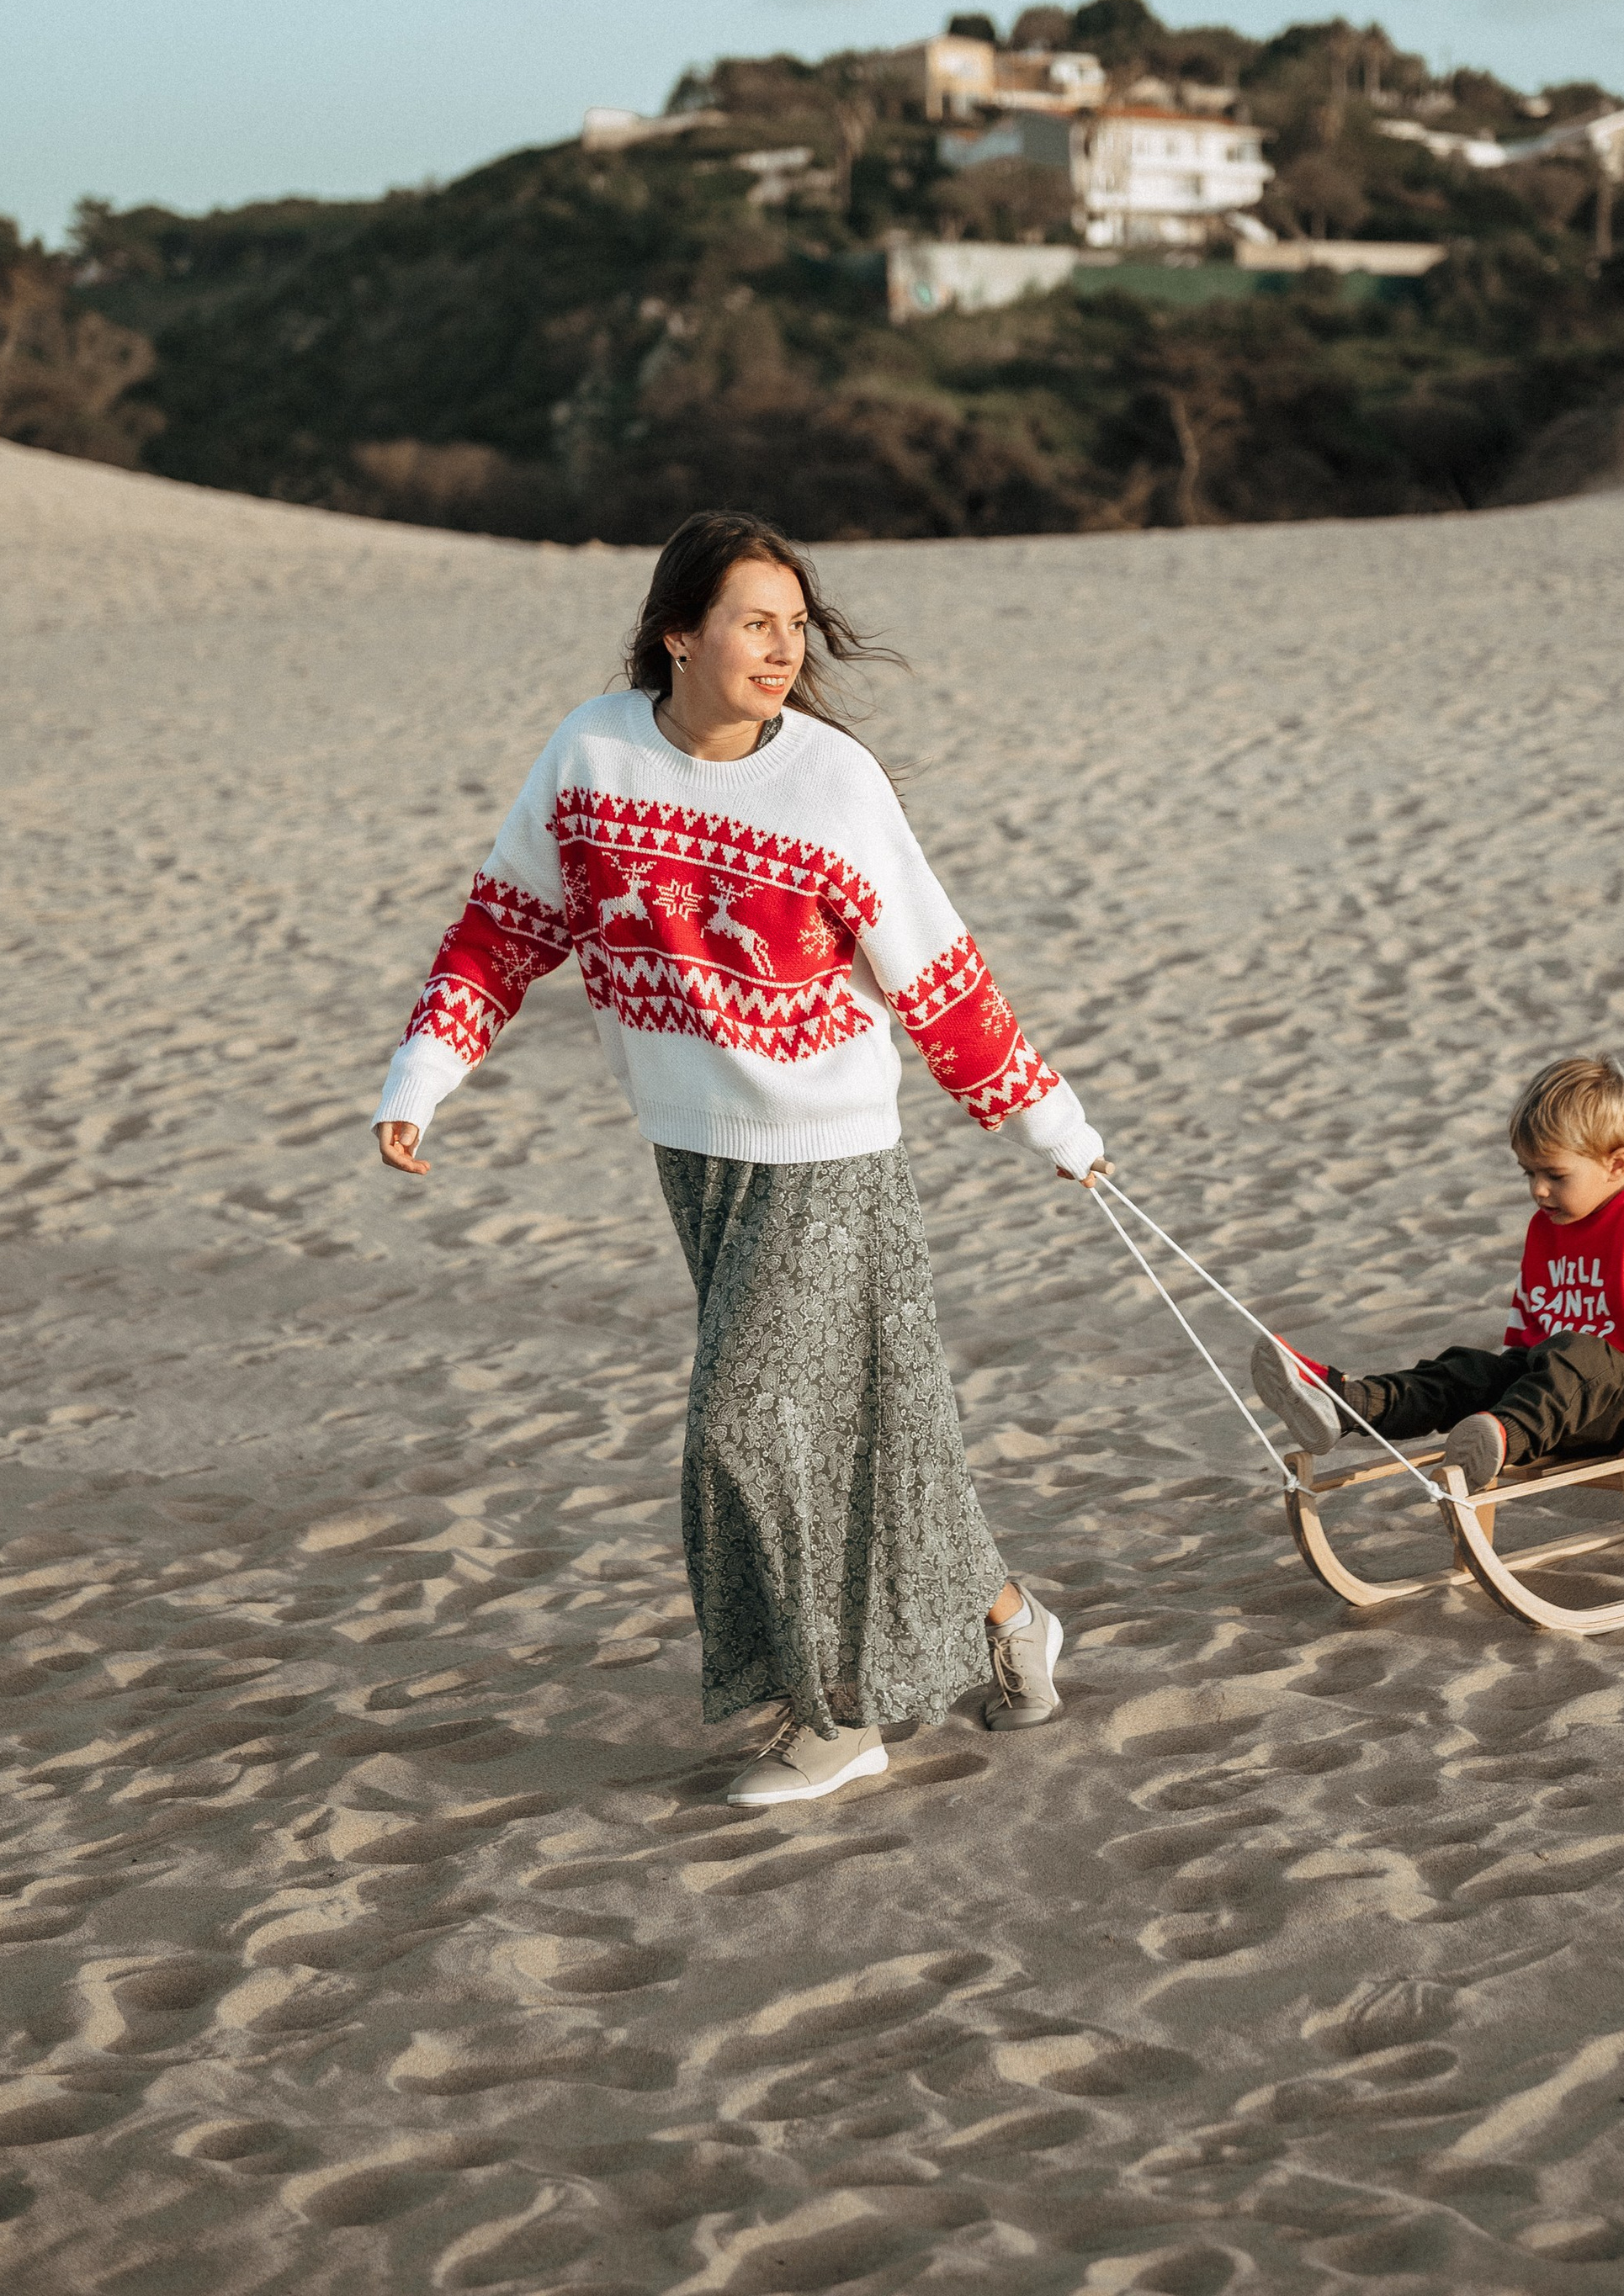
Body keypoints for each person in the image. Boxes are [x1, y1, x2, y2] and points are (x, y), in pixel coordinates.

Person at [373, 510, 1111, 1809]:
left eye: (794, 626)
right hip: (695, 1154)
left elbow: (937, 973)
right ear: (679, 634)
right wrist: (422, 1080)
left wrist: (1056, 1126)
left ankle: (836, 1717)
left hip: (831, 1155)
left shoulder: (831, 782)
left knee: (745, 1428)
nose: (783, 649)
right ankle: (1008, 1621)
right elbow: (503, 932)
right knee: (880, 1433)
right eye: (754, 623)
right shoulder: (591, 755)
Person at [1250, 1057, 1624, 1493]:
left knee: (1580, 1354)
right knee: (1465, 1370)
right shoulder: (1549, 1225)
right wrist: (1502, 1377)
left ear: (1616, 1164)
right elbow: (1531, 1313)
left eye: (1555, 1175)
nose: (1538, 1190)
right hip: (1548, 1400)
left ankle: (1499, 1436)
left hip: (1620, 1407)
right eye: (1528, 1173)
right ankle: (1349, 1403)